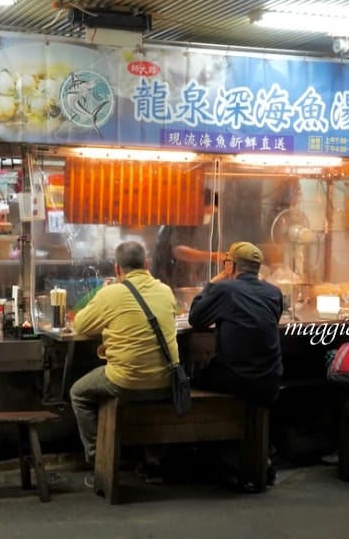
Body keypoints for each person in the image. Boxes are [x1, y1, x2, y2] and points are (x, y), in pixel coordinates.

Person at [70, 241, 180, 486]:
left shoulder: (111, 293)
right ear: (147, 265)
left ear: (117, 268)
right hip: (166, 379)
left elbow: (80, 325)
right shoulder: (165, 290)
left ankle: (100, 462)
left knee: (78, 393)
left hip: (125, 380)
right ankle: (153, 463)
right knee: (153, 396)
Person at [188, 241, 283, 405]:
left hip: (238, 380)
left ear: (230, 266)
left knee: (188, 376)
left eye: (226, 263)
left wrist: (212, 284)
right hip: (270, 381)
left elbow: (196, 319)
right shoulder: (274, 292)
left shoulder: (225, 289)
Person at [151, 188, 220, 288]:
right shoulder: (182, 221)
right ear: (198, 207)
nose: (209, 216)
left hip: (178, 281)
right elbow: (179, 251)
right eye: (208, 212)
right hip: (168, 282)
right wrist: (212, 256)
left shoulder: (191, 224)